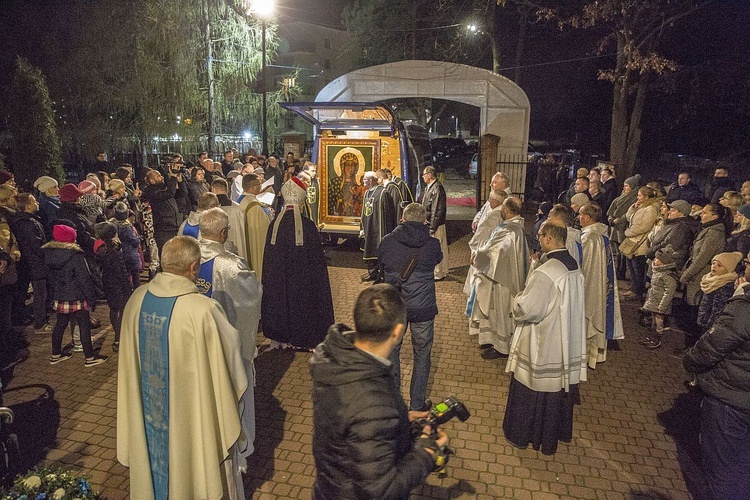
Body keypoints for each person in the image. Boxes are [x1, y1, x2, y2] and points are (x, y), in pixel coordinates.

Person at [117, 236, 249, 499]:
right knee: (194, 460)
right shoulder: (203, 311)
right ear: (193, 268)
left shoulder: (137, 300)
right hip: (190, 413)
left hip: (149, 414)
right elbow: (229, 363)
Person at [310, 284, 448, 499]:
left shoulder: (337, 361)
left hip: (332, 486)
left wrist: (401, 420)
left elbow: (349, 424)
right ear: (398, 331)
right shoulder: (373, 404)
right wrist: (426, 454)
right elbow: (380, 491)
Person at [503, 221, 587, 455]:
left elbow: (529, 309)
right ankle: (550, 436)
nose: (538, 239)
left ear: (549, 238)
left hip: (544, 342)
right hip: (564, 340)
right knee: (555, 393)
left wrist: (518, 299)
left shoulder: (547, 272)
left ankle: (523, 434)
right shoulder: (573, 267)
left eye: (540, 235)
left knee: (533, 388)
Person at [196, 208, 260, 461]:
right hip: (225, 345)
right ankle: (239, 443)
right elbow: (249, 301)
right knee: (234, 395)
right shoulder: (230, 264)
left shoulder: (185, 256)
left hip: (197, 341)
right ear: (223, 233)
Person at [683, 288, 750, 499]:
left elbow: (709, 348)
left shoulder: (744, 310)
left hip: (731, 400)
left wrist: (690, 361)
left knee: (723, 472)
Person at [379, 203, 443, 411]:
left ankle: (395, 401)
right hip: (423, 307)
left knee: (392, 351)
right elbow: (437, 259)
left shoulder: (387, 242)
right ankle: (417, 404)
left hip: (395, 307)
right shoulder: (432, 245)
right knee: (422, 353)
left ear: (403, 219)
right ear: (424, 221)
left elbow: (382, 264)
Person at [262, 178, 334, 350]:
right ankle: (305, 336)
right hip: (303, 279)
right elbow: (317, 264)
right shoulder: (308, 226)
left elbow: (269, 259)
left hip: (279, 278)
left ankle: (280, 336)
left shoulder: (274, 225)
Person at [467, 197, 529, 359]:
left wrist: (477, 257)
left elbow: (494, 252)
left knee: (500, 312)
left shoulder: (509, 231)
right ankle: (492, 341)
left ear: (507, 211)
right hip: (501, 276)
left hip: (502, 280)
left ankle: (502, 347)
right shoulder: (514, 227)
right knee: (496, 312)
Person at [43, 223, 106, 367]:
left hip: (60, 295)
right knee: (84, 325)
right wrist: (91, 298)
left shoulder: (49, 255)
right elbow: (84, 278)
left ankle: (55, 354)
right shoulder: (75, 256)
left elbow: (51, 279)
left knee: (60, 324)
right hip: (77, 295)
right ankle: (89, 358)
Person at [678, 203, 733, 353]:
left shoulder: (714, 233)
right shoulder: (708, 229)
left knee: (695, 312)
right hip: (697, 275)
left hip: (700, 276)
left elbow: (702, 258)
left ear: (714, 216)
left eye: (705, 213)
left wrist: (687, 275)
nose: (701, 214)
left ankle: (693, 346)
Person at [579, 203, 624, 367]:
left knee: (588, 317)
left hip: (590, 286)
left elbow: (584, 267)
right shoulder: (601, 236)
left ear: (588, 218)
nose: (579, 217)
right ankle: (594, 356)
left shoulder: (589, 239)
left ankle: (584, 357)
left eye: (581, 214)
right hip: (600, 285)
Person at [12, 192, 50, 332]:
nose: (37, 203)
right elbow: (36, 245)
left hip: (30, 262)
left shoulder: (25, 220)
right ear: (28, 206)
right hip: (35, 263)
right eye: (34, 201)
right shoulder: (27, 223)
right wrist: (46, 254)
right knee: (41, 294)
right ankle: (40, 323)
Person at [93, 221, 133, 352]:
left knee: (113, 309)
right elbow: (121, 271)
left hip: (108, 283)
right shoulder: (115, 251)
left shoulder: (102, 249)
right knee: (122, 310)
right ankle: (119, 337)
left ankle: (117, 336)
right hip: (119, 285)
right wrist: (128, 287)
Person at [622, 186, 660, 300]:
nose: (637, 198)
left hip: (640, 243)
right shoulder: (641, 206)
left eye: (639, 196)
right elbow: (629, 218)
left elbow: (645, 226)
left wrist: (629, 232)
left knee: (637, 267)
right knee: (631, 266)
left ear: (646, 197)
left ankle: (638, 290)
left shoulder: (651, 209)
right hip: (633, 240)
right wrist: (633, 208)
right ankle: (633, 288)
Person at [641, 245, 679, 348]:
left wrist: (663, 306)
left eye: (657, 259)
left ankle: (657, 339)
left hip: (660, 305)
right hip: (654, 301)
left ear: (665, 262)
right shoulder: (658, 271)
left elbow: (669, 293)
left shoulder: (667, 276)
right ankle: (652, 337)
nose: (655, 260)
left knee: (659, 323)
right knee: (654, 321)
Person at [697, 252, 743, 333]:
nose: (714, 266)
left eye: (719, 265)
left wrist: (710, 326)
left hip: (709, 324)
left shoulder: (724, 287)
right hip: (704, 318)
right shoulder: (711, 280)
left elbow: (717, 310)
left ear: (728, 270)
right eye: (713, 263)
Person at [238, 173, 273, 279]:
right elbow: (264, 230)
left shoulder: (242, 199)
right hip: (254, 245)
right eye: (259, 184)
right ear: (253, 188)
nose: (261, 186)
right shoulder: (254, 207)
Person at [141, 168, 182, 255]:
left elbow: (181, 195)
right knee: (166, 254)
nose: (162, 177)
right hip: (163, 229)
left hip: (174, 227)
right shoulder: (151, 191)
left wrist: (180, 182)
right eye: (158, 176)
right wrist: (173, 178)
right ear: (152, 180)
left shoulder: (164, 188)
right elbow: (169, 193)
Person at [360, 171, 392, 282]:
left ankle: (382, 275)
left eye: (364, 179)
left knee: (380, 251)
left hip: (380, 228)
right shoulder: (367, 193)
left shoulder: (383, 192)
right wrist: (362, 228)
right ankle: (372, 273)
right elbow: (364, 212)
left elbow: (389, 212)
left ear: (370, 180)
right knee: (370, 250)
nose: (363, 180)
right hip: (369, 227)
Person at [607, 175, 639, 279]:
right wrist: (611, 218)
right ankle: (618, 269)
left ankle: (622, 270)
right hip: (616, 226)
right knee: (617, 249)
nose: (624, 188)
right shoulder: (621, 197)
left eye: (627, 186)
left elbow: (629, 213)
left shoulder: (633, 198)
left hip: (623, 226)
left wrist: (618, 220)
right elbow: (613, 208)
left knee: (623, 249)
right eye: (624, 186)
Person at [421, 166, 448, 281]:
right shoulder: (430, 187)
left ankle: (438, 272)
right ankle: (438, 270)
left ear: (429, 175)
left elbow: (436, 210)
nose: (423, 177)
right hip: (432, 223)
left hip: (436, 225)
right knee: (436, 247)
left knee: (437, 247)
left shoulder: (436, 188)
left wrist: (432, 227)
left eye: (424, 174)